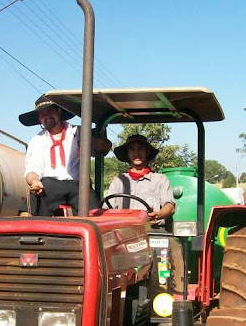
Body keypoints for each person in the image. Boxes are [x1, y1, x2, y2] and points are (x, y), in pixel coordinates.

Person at [106, 135, 183, 293]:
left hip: (152, 233)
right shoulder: (118, 181)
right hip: (123, 236)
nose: (136, 153)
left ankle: (164, 295)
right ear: (127, 154)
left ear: (147, 152)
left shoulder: (159, 179)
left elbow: (170, 206)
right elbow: (108, 208)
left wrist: (158, 215)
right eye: (132, 149)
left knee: (168, 249)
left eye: (140, 148)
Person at [19, 96, 111, 216]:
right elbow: (32, 170)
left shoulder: (78, 132)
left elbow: (106, 146)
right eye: (42, 114)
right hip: (51, 185)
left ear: (59, 111)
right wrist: (35, 182)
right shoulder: (37, 141)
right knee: (35, 198)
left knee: (96, 214)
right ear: (39, 118)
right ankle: (35, 230)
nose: (46, 116)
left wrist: (93, 143)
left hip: (78, 185)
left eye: (50, 111)